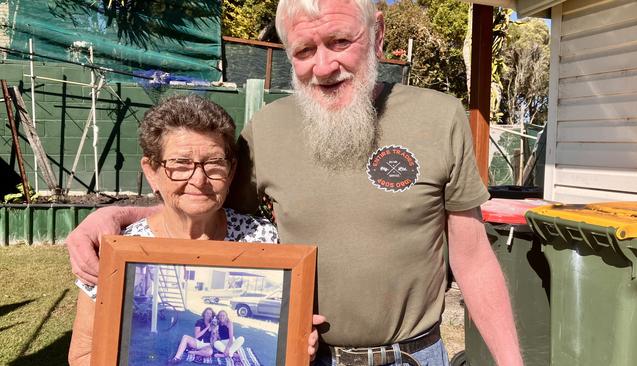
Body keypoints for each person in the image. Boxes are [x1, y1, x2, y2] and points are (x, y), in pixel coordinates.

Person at [66, 1, 524, 365]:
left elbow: (472, 255)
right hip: (307, 357)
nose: (323, 67)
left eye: (340, 41)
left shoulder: (439, 116)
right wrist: (118, 216)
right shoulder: (265, 130)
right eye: (305, 51)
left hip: (416, 356)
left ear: (378, 34)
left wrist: (510, 363)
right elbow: (207, 206)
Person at [67, 95, 279, 366]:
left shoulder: (262, 238)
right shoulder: (117, 253)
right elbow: (84, 355)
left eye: (214, 162)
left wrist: (294, 345)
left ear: (232, 169)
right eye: (180, 164)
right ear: (152, 171)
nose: (199, 179)